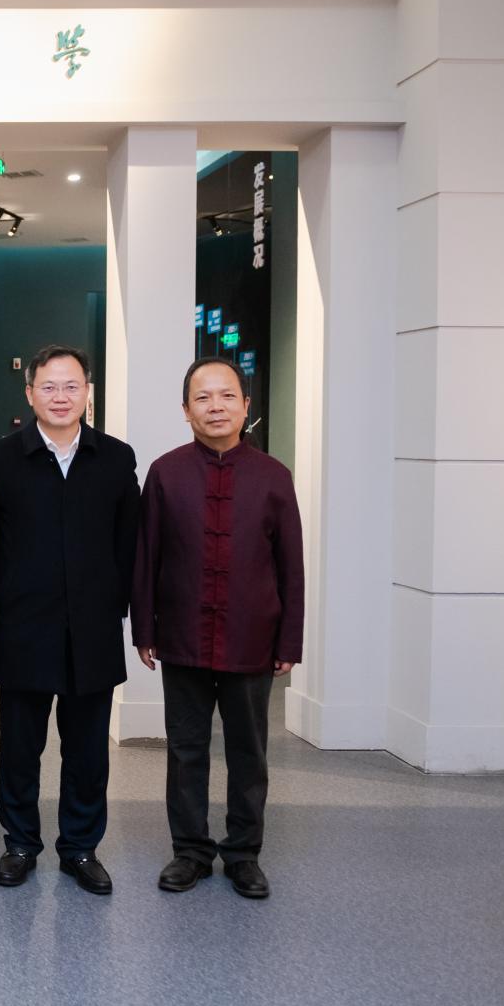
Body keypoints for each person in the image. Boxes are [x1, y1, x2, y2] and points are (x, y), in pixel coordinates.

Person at [133, 356, 304, 900]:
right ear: (186, 410)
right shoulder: (165, 472)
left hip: (252, 636)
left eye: (227, 396)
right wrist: (144, 630)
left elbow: (291, 567)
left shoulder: (274, 476)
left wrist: (290, 640)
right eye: (202, 398)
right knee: (185, 749)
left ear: (245, 406)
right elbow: (147, 555)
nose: (215, 407)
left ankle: (244, 853)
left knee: (249, 751)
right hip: (182, 633)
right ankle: (189, 851)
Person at [0, 345, 140, 896]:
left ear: (88, 392)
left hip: (93, 632)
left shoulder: (116, 459)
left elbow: (129, 545)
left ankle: (81, 848)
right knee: (20, 749)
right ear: (30, 394)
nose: (61, 397)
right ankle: (20, 844)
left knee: (88, 752)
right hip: (25, 628)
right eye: (49, 387)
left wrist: (117, 607)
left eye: (72, 386)